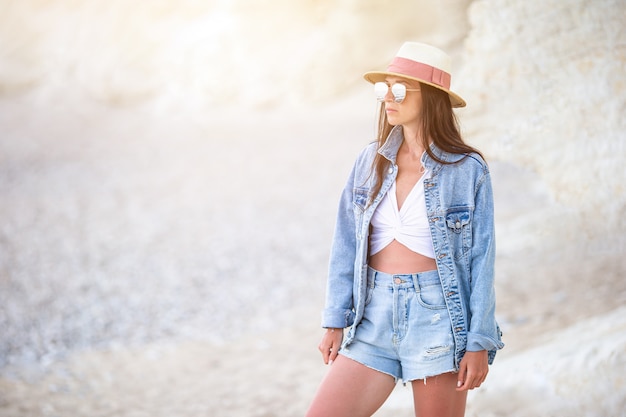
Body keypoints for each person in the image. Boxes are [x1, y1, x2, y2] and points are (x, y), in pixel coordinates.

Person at [305, 42, 504, 417]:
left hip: (437, 319)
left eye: (399, 90)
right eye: (383, 89)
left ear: (430, 98)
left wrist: (479, 341)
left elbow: (482, 261)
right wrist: (335, 318)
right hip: (373, 317)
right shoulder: (370, 159)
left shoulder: (467, 169)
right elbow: (346, 243)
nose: (387, 99)